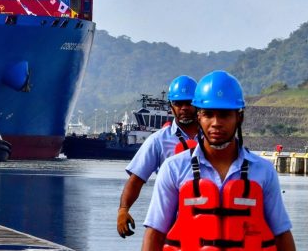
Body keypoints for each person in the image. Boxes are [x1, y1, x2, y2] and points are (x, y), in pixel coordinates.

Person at [142, 70, 296, 251]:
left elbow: (282, 233)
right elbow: (155, 234)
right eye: (208, 114)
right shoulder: (174, 169)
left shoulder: (263, 171)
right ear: (198, 117)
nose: (216, 123)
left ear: (239, 117)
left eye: (224, 114)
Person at [117, 75, 201, 239]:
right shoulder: (158, 141)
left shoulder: (212, 138)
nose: (184, 107)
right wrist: (123, 209)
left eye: (188, 102)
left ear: (197, 104)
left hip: (207, 222)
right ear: (171, 106)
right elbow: (136, 180)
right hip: (169, 226)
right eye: (178, 103)